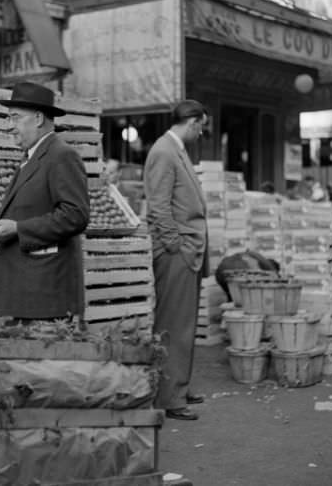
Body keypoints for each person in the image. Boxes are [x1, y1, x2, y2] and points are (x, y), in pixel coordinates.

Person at [0, 82, 90, 321]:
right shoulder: (32, 157)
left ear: (39, 118)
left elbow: (75, 215)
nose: (9, 126)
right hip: (28, 290)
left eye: (15, 118)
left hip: (44, 294)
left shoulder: (61, 156)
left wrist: (18, 229)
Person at [143, 99, 209, 421]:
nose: (202, 133)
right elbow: (158, 205)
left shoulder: (176, 149)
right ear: (194, 122)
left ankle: (179, 386)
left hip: (186, 249)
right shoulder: (164, 151)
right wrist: (175, 245)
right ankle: (170, 397)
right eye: (202, 126)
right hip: (177, 252)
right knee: (172, 324)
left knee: (183, 323)